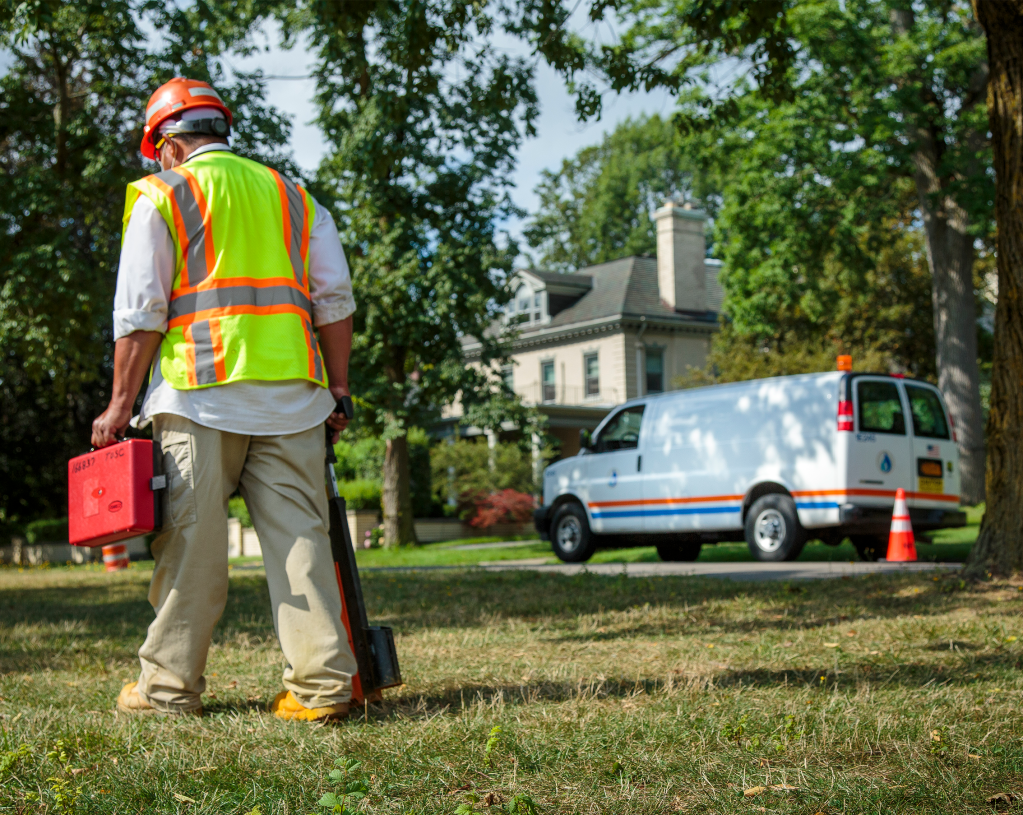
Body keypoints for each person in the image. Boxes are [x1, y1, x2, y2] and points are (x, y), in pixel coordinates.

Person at [92, 77, 357, 722]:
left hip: (200, 395)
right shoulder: (293, 196)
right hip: (293, 397)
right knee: (302, 540)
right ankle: (323, 690)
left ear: (168, 145)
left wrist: (119, 403)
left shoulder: (164, 195)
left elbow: (141, 311)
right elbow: (335, 299)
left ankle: (168, 690)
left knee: (192, 546)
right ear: (219, 130)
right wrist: (340, 388)